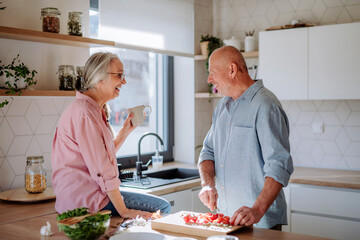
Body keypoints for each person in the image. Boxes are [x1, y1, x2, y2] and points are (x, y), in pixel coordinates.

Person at [52, 52, 171, 218]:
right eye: (119, 75)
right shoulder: (85, 113)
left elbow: (100, 157)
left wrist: (124, 132)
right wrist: (124, 211)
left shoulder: (92, 110)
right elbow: (102, 169)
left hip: (86, 197)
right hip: (85, 202)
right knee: (162, 208)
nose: (124, 81)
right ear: (99, 79)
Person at [198, 46, 294, 230]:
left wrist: (257, 210)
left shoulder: (266, 105)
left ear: (232, 70)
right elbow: (208, 152)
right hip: (225, 219)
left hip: (260, 222)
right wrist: (207, 185)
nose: (209, 79)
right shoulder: (221, 107)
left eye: (212, 73)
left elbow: (279, 166)